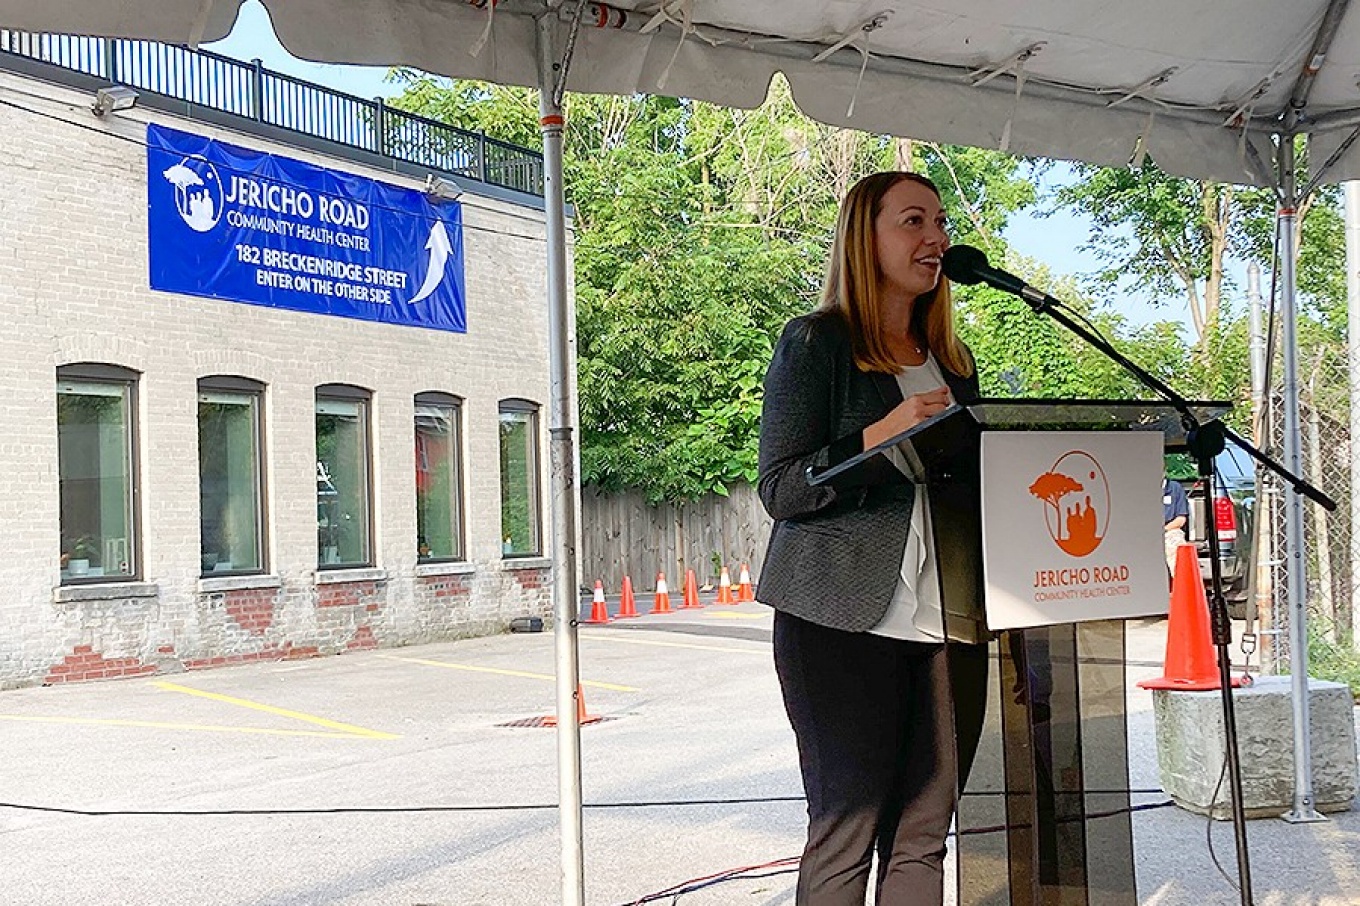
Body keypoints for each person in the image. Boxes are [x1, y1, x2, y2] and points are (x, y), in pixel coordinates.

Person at [755, 171, 990, 906]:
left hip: (951, 620)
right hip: (839, 619)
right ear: (868, 237)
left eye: (941, 221)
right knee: (846, 830)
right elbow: (781, 489)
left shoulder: (952, 360)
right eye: (913, 221)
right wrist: (877, 437)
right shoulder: (816, 344)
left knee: (925, 833)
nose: (937, 238)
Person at [1163, 474, 1189, 578]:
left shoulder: (1175, 488)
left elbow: (1181, 519)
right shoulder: (1142, 488)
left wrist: (1163, 530)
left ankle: (1181, 584)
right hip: (1146, 530)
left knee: (1175, 544)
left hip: (1169, 530)